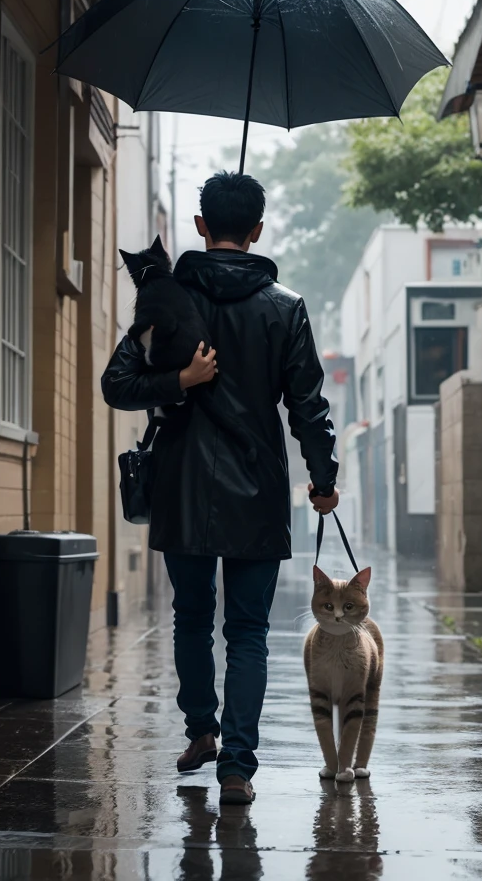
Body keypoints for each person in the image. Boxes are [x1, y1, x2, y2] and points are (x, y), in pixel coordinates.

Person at [102, 171, 339, 805]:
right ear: (258, 230)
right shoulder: (285, 308)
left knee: (190, 618)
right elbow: (308, 408)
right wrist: (323, 480)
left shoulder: (167, 298)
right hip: (258, 490)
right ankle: (236, 764)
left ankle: (201, 731)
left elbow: (116, 385)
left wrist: (177, 380)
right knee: (248, 631)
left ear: (202, 226)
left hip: (181, 487)